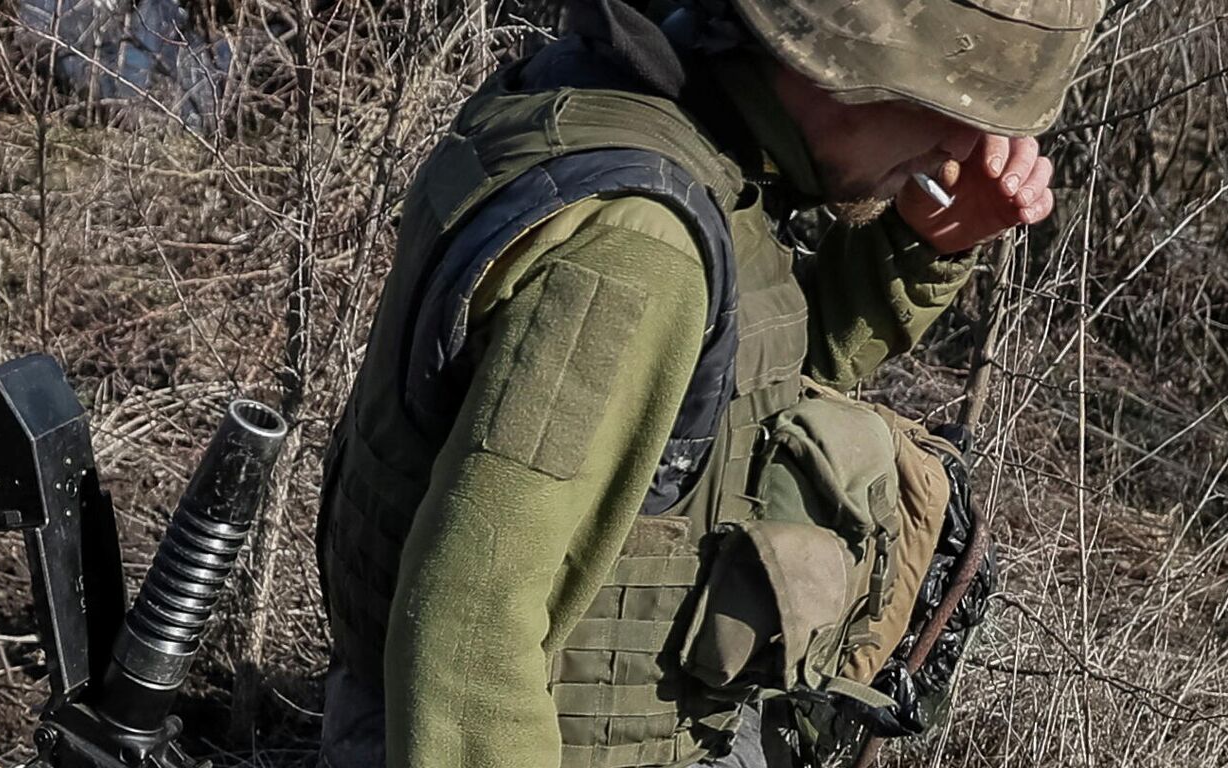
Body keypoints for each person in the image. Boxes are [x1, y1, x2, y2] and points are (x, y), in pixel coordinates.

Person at [312, 0, 1102, 766]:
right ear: (848, 64)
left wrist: (921, 246)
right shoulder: (639, 246)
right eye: (956, 105)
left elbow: (729, 396)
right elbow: (471, 624)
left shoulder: (655, 101)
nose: (967, 147)